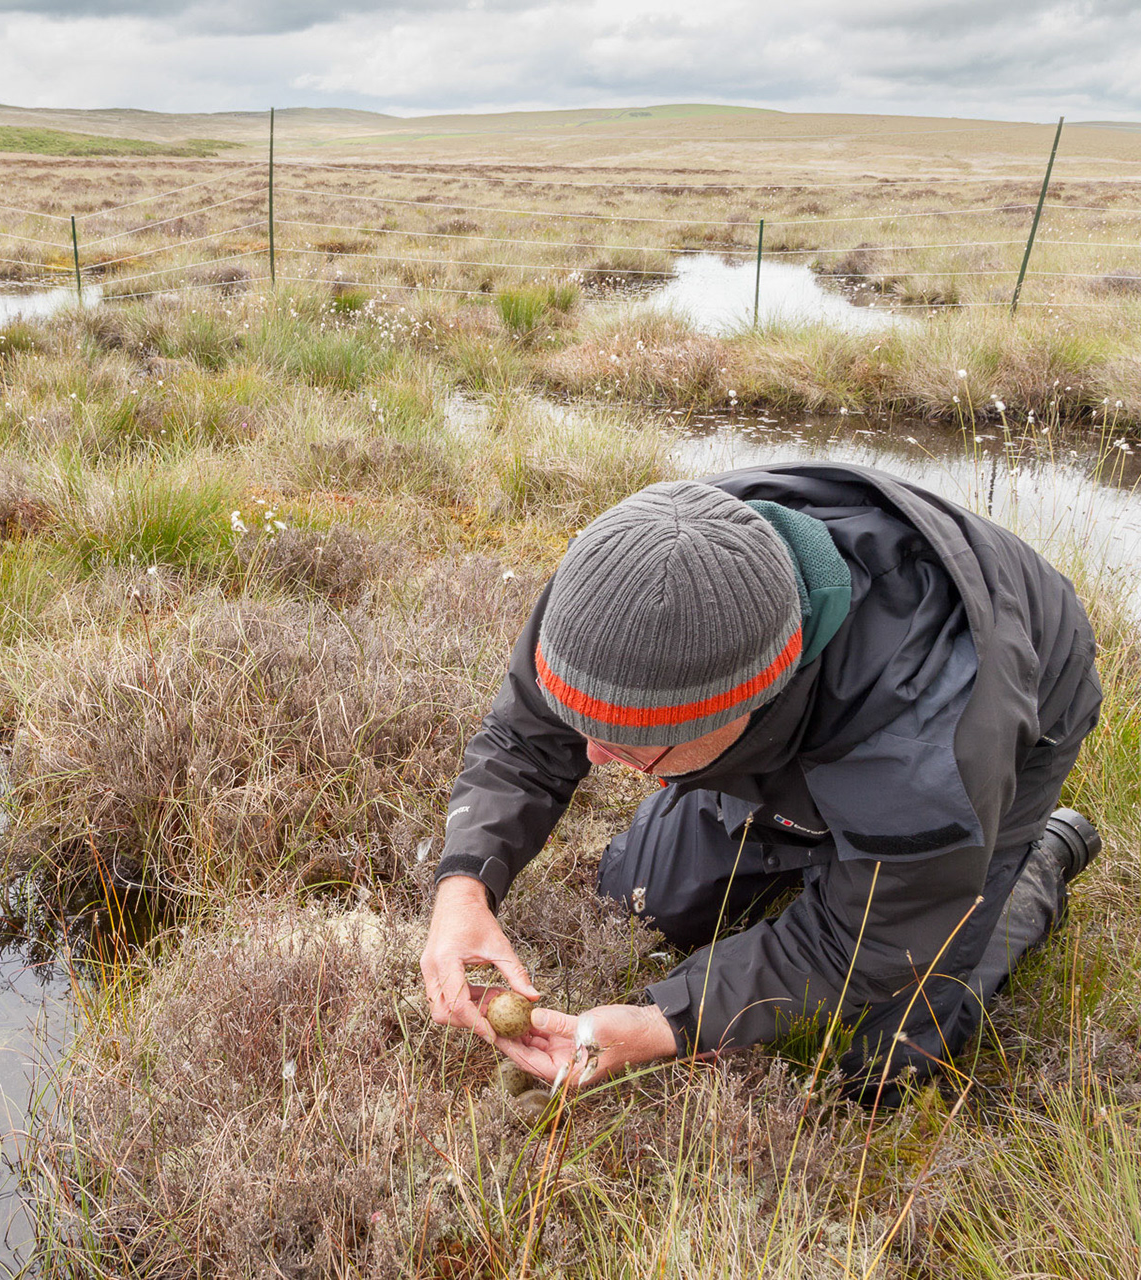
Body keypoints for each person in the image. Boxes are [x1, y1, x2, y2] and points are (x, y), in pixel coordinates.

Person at [419, 462, 1103, 1103]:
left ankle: (1032, 862)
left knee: (887, 1062)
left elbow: (854, 948)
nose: (590, 755)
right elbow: (523, 738)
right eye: (584, 724)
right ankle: (837, 850)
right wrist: (464, 889)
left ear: (741, 710)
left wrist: (666, 1024)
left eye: (632, 746)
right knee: (639, 898)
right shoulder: (617, 587)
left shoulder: (928, 758)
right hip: (801, 728)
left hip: (1016, 697)